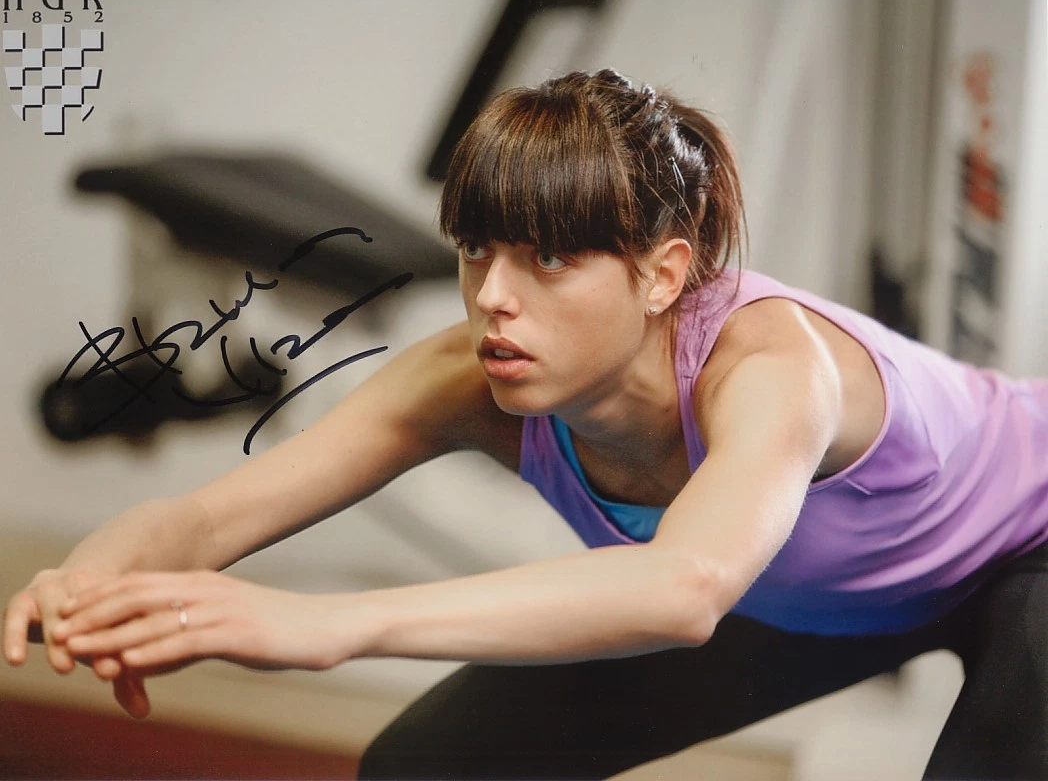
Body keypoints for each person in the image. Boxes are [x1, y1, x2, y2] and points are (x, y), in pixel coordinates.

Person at [4, 68, 1047, 780]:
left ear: (662, 275)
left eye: (548, 258)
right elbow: (202, 519)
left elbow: (683, 588)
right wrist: (89, 583)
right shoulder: (460, 377)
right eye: (477, 250)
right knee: (426, 767)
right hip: (813, 597)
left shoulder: (771, 366)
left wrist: (331, 624)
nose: (494, 297)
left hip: (1027, 548)